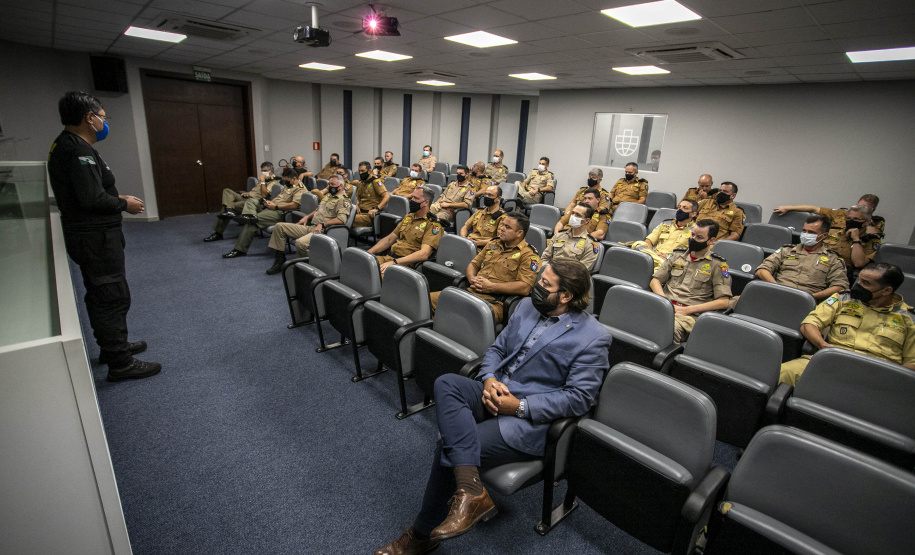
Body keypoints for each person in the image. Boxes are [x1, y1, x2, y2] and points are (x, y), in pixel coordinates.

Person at [375, 260, 610, 555]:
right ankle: (473, 491)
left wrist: (520, 406)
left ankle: (421, 535)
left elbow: (580, 398)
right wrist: (488, 379)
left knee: (449, 447)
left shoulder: (593, 337)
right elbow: (497, 349)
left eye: (545, 285)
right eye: (539, 279)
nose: (536, 287)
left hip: (528, 419)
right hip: (496, 391)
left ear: (565, 296)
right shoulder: (525, 307)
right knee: (448, 383)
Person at [47, 91, 161, 381]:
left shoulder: (66, 145)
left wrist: (116, 197)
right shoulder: (77, 150)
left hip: (90, 235)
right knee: (111, 295)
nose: (104, 122)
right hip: (95, 238)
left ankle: (113, 348)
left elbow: (88, 193)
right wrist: (124, 204)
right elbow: (92, 200)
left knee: (101, 294)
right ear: (89, 117)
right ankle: (120, 362)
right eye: (102, 117)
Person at [779, 263, 915, 386]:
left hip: (877, 377)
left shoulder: (909, 318)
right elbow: (809, 324)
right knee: (780, 373)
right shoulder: (843, 299)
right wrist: (823, 345)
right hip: (833, 361)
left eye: (866, 283)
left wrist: (886, 380)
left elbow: (911, 363)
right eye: (859, 279)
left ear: (886, 291)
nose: (858, 285)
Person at [432, 212, 540, 324]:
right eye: (503, 225)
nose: (502, 229)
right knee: (427, 300)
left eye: (507, 227)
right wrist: (472, 278)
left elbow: (524, 287)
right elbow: (473, 264)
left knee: (459, 314)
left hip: (494, 302)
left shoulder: (529, 255)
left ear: (519, 233)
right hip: (471, 291)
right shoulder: (493, 244)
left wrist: (492, 287)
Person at [650, 219, 732, 343]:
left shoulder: (717, 264)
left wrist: (687, 310)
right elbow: (655, 280)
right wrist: (665, 302)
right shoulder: (677, 255)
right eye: (692, 235)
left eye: (699, 237)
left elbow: (723, 302)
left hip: (687, 316)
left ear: (711, 241)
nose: (693, 239)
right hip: (664, 306)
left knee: (663, 329)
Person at [264, 175, 351, 274]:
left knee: (301, 243)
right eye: (329, 184)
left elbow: (341, 219)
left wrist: (323, 224)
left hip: (324, 231)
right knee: (280, 226)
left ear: (340, 186)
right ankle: (280, 260)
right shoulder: (329, 196)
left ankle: (305, 269)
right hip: (312, 227)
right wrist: (307, 217)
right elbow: (318, 210)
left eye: (332, 184)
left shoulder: (343, 200)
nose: (330, 186)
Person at [755, 215, 848, 301]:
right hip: (776, 293)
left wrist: (812, 297)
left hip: (807, 300)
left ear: (824, 235)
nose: (806, 234)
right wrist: (776, 287)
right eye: (804, 231)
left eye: (811, 232)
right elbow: (762, 270)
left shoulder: (833, 258)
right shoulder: (786, 250)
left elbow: (840, 286)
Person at [772, 200, 882, 272]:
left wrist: (856, 240)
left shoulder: (871, 240)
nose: (851, 222)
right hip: (809, 263)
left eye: (856, 219)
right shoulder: (834, 232)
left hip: (833, 270)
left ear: (867, 221)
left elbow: (859, 263)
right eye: (849, 219)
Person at [222, 168, 307, 258]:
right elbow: (279, 197)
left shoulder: (300, 189)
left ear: (293, 179)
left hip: (280, 212)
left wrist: (276, 206)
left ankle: (239, 249)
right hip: (272, 207)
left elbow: (294, 205)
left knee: (252, 222)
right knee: (252, 201)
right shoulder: (288, 185)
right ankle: (248, 215)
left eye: (286, 180)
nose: (284, 182)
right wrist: (270, 202)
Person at [369, 187, 443, 276]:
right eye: (412, 197)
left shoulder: (432, 225)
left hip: (405, 265)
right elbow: (389, 239)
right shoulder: (409, 217)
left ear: (425, 203)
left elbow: (424, 254)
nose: (411, 201)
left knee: (373, 276)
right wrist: (368, 253)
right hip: (389, 258)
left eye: (416, 198)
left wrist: (395, 262)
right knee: (360, 264)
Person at [204, 161, 279, 242]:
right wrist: (248, 193)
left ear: (271, 171)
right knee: (227, 191)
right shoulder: (261, 180)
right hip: (248, 197)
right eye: (262, 171)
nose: (263, 173)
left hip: (254, 202)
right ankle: (228, 211)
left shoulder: (274, 182)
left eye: (265, 171)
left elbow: (264, 195)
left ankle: (218, 233)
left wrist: (263, 181)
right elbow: (256, 191)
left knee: (227, 206)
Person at [773, 193, 886, 239]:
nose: (861, 209)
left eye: (866, 208)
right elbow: (814, 209)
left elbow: (873, 238)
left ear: (872, 210)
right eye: (859, 206)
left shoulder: (875, 222)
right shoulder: (840, 213)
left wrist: (868, 220)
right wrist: (788, 207)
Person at [630, 198, 698, 269]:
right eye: (679, 207)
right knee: (638, 243)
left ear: (693, 214)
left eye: (685, 208)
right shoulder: (666, 223)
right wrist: (654, 253)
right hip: (654, 255)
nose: (680, 210)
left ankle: (657, 262)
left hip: (672, 260)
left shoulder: (695, 231)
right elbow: (648, 241)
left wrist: (669, 257)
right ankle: (657, 261)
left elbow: (692, 254)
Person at [541, 203, 600, 270]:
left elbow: (582, 271)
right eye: (572, 213)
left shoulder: (590, 244)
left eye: (578, 215)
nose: (573, 216)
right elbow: (545, 258)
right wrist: (548, 270)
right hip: (549, 273)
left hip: (568, 278)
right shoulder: (560, 235)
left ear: (586, 221)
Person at [460, 185, 505, 250]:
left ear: (498, 198)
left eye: (490, 195)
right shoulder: (479, 211)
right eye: (486, 194)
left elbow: (499, 239)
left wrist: (477, 243)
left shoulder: (502, 217)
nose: (486, 197)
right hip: (469, 243)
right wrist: (464, 239)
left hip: (484, 247)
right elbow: (465, 227)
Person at [353, 161, 390, 227]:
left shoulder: (375, 182)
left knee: (346, 219)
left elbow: (386, 196)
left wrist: (377, 209)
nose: (360, 173)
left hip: (369, 215)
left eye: (363, 171)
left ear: (369, 171)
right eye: (359, 171)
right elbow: (359, 198)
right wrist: (357, 205)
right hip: (360, 213)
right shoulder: (361, 183)